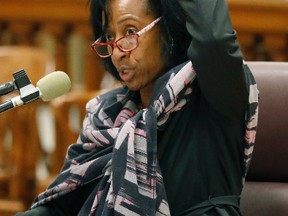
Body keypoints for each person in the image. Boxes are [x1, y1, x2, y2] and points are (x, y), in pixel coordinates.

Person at [17, 0, 259, 215]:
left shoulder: (216, 94)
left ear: (169, 28)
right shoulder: (107, 114)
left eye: (130, 32)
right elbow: (66, 202)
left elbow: (213, 37)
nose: (117, 52)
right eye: (110, 38)